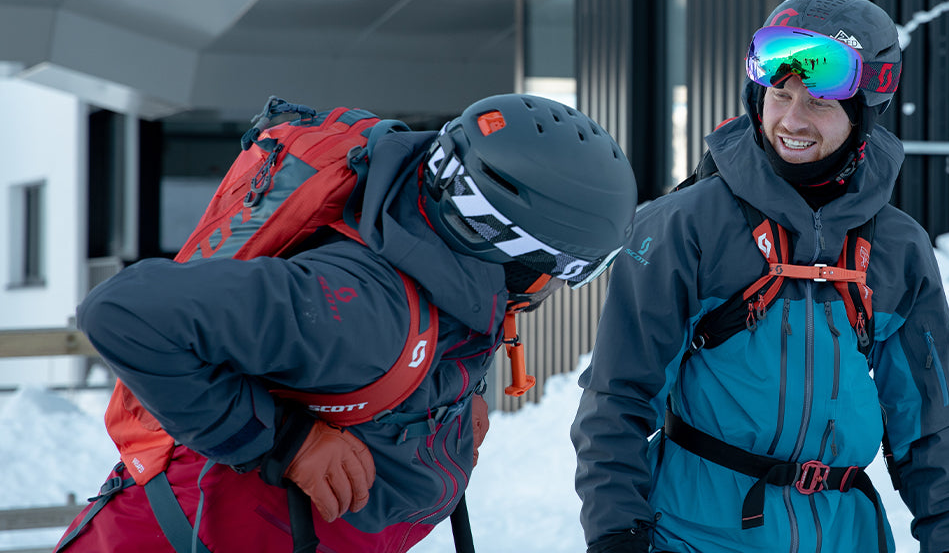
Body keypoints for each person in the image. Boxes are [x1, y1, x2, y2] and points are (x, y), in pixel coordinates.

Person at [56, 93, 638, 552]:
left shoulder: (430, 244)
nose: (553, 288)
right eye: (562, 270)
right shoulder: (359, 310)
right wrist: (288, 442)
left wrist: (453, 403)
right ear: (510, 249)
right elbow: (124, 313)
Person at [571, 0, 949, 553]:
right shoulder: (684, 226)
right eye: (779, 94)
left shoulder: (897, 247)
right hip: (695, 535)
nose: (791, 119)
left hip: (846, 537)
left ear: (863, 111)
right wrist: (616, 534)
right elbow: (617, 398)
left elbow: (928, 436)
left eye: (818, 102)